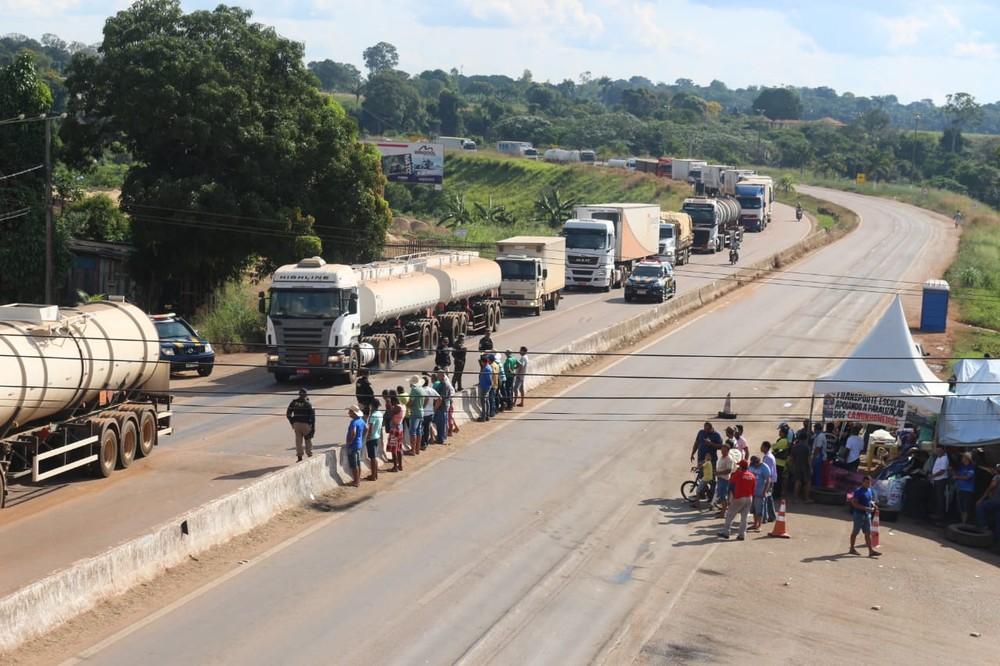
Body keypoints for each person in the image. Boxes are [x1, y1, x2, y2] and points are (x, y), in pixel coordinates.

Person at [720, 459, 756, 541]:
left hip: (739, 497)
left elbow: (731, 486)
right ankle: (742, 535)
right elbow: (753, 489)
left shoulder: (738, 474)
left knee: (730, 515)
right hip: (749, 498)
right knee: (744, 518)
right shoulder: (752, 476)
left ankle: (726, 533)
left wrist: (731, 497)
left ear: (741, 466)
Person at [849, 475, 882, 557]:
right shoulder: (858, 491)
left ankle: (871, 551)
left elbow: (869, 500)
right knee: (855, 532)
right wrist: (865, 508)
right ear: (862, 482)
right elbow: (854, 503)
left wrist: (873, 504)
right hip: (859, 515)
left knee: (867, 533)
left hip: (867, 515)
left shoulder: (870, 490)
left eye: (869, 483)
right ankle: (852, 548)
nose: (868, 484)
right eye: (866, 483)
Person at [286, 388, 315, 462]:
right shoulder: (308, 404)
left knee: (298, 441)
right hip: (306, 424)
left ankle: (299, 457)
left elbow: (288, 414)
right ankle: (309, 455)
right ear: (306, 395)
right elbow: (312, 417)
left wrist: (292, 422)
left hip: (296, 424)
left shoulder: (294, 402)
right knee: (308, 439)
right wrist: (312, 428)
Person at [748, 455, 772, 532]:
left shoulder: (765, 468)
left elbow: (768, 481)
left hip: (760, 492)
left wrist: (765, 491)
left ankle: (759, 526)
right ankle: (755, 524)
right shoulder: (751, 466)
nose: (753, 466)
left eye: (754, 464)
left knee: (759, 510)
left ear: (758, 462)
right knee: (753, 509)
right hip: (752, 492)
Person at [975, 465, 1000, 537]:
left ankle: (983, 526)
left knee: (980, 506)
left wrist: (981, 499)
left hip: (996, 501)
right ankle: (997, 539)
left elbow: (991, 487)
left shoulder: (997, 476)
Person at [345, 405, 366, 487]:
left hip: (353, 446)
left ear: (354, 413)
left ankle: (356, 481)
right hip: (359, 444)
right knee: (358, 463)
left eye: (350, 412)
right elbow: (366, 428)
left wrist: (350, 441)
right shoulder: (361, 420)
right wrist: (361, 437)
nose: (348, 413)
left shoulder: (353, 422)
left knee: (354, 465)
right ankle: (358, 479)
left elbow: (353, 433)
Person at [789, 431, 813, 502]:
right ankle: (806, 498)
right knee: (807, 482)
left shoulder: (795, 447)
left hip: (797, 466)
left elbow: (791, 458)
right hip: (805, 467)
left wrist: (791, 467)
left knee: (797, 481)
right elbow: (809, 459)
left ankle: (795, 498)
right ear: (806, 439)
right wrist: (811, 468)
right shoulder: (807, 447)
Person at [953, 453, 976, 524]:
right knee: (960, 506)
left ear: (967, 459)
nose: (962, 458)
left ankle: (964, 523)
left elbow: (967, 477)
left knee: (965, 507)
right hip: (960, 488)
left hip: (967, 490)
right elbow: (958, 474)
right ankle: (961, 521)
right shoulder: (961, 466)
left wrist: (957, 477)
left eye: (963, 457)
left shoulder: (971, 467)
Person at [363, 400, 383, 481]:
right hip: (377, 437)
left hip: (372, 438)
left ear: (372, 406)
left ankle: (373, 475)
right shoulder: (380, 414)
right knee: (374, 457)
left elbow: (370, 428)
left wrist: (367, 437)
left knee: (372, 458)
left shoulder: (373, 415)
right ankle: (375, 474)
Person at [385, 394, 405, 472]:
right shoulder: (402, 406)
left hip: (395, 429)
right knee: (399, 448)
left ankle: (395, 467)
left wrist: (388, 405)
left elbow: (390, 413)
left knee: (394, 449)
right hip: (400, 428)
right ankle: (400, 465)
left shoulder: (396, 408)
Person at [715, 442, 735, 515]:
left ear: (728, 451)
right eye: (722, 450)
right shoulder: (722, 457)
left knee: (723, 496)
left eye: (724, 451)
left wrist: (718, 473)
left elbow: (728, 470)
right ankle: (723, 510)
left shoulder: (729, 459)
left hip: (724, 479)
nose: (722, 452)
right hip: (720, 479)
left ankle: (723, 512)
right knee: (721, 495)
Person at [407, 376, 425, 456]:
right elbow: (426, 399)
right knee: (419, 431)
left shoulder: (414, 390)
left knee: (413, 432)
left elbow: (410, 402)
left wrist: (406, 405)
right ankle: (417, 449)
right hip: (421, 412)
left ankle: (413, 450)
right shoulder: (421, 389)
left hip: (415, 413)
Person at [930, 446, 950, 520]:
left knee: (940, 498)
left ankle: (940, 515)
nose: (938, 452)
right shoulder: (938, 457)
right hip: (936, 479)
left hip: (941, 480)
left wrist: (933, 475)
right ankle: (936, 513)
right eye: (937, 451)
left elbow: (942, 471)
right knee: (936, 497)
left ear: (943, 451)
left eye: (939, 451)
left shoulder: (945, 458)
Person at [432, 371, 452, 445]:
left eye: (438, 375)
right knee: (441, 423)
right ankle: (442, 437)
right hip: (442, 407)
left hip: (442, 407)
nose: (437, 377)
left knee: (441, 424)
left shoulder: (444, 385)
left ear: (443, 376)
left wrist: (435, 407)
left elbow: (441, 398)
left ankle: (441, 439)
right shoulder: (441, 384)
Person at [421, 375, 440, 449]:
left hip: (423, 413)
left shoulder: (422, 390)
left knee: (421, 429)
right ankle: (425, 443)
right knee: (426, 429)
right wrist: (435, 408)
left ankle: (422, 444)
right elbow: (439, 399)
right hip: (430, 413)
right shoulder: (431, 390)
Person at [772, 424, 790, 499]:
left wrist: (774, 448)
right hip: (780, 463)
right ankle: (777, 494)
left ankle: (776, 494)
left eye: (780, 431)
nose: (779, 432)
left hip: (780, 463)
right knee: (778, 480)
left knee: (777, 480)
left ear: (783, 433)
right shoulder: (784, 440)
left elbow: (774, 447)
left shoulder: (783, 441)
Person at [810, 422, 827, 487]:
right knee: (815, 473)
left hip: (818, 457)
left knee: (817, 474)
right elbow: (812, 437)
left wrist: (813, 458)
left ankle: (817, 487)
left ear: (816, 429)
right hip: (817, 456)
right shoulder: (818, 435)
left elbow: (818, 448)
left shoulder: (820, 436)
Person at [478, 357, 493, 422]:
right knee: (486, 401)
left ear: (483, 362)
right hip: (485, 386)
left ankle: (484, 417)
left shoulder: (486, 368)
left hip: (485, 387)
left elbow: (489, 379)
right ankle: (487, 415)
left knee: (483, 401)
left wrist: (489, 385)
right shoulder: (488, 367)